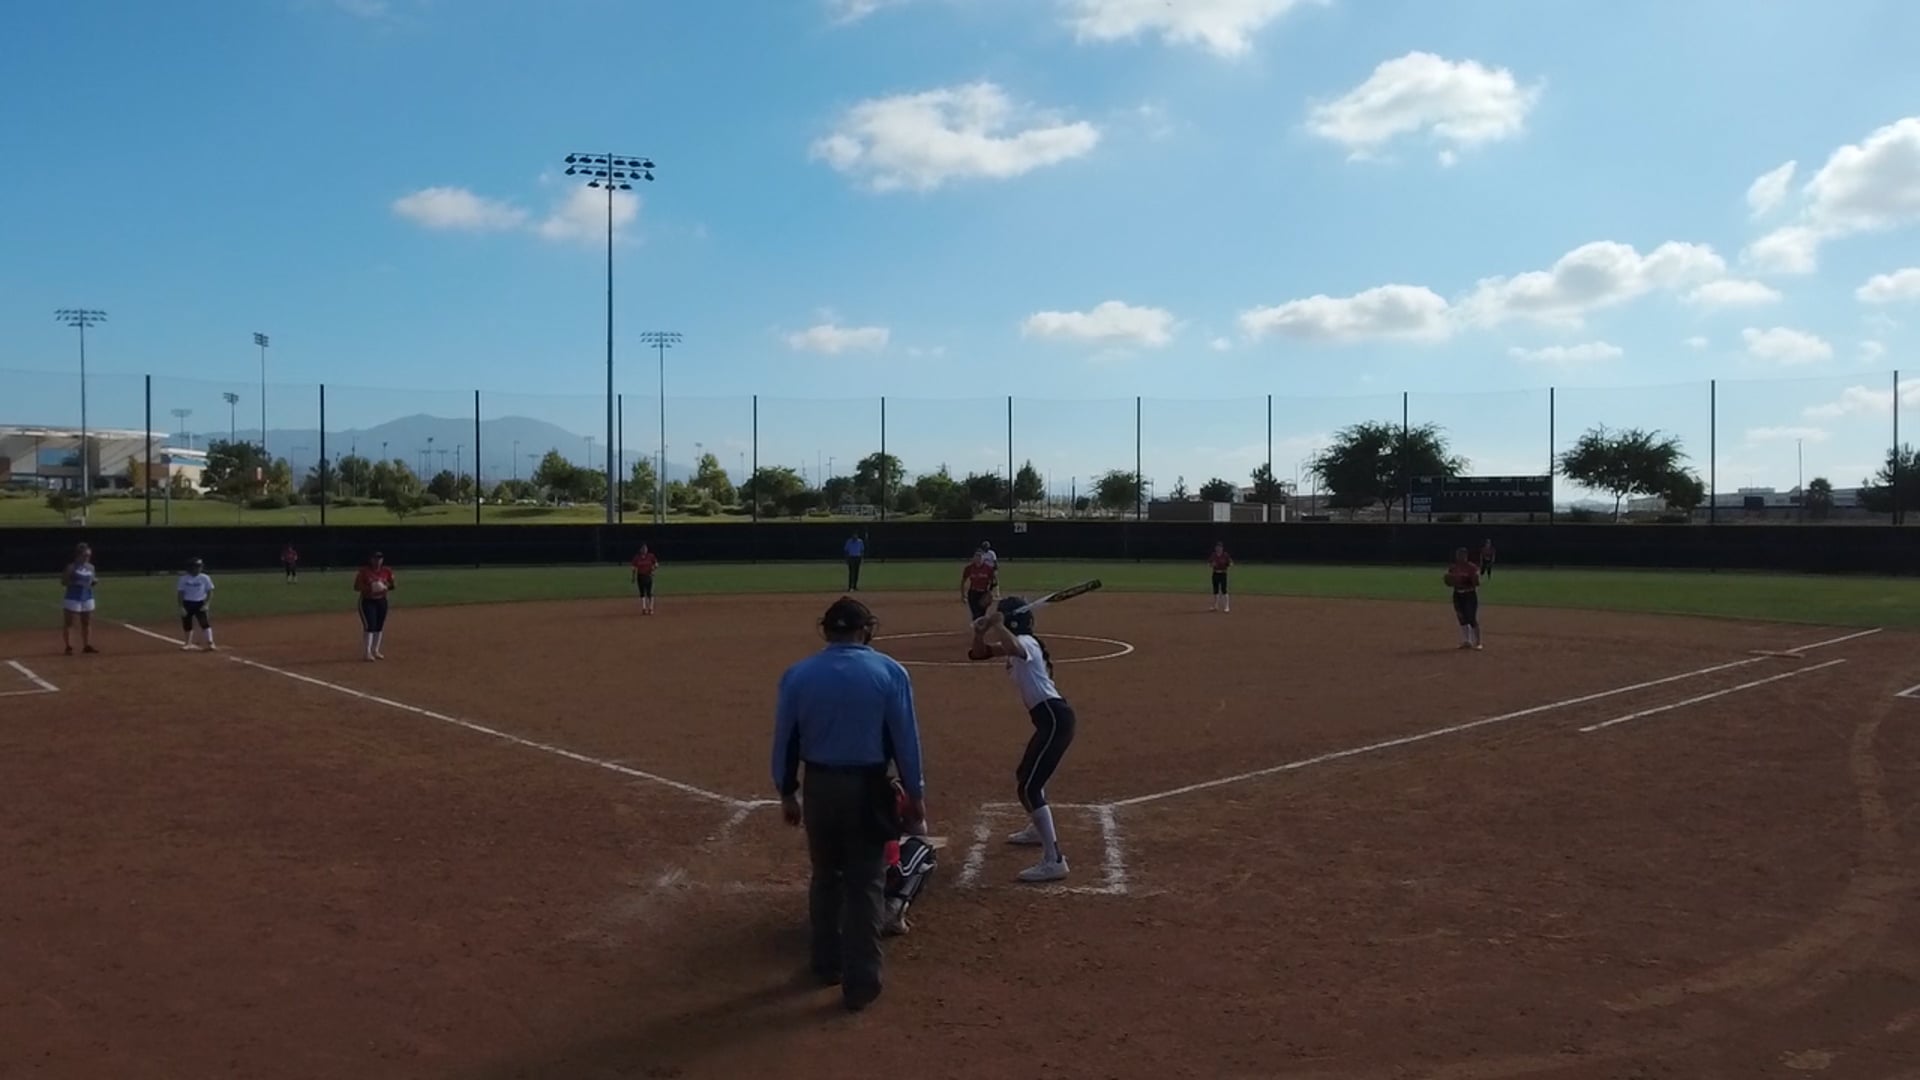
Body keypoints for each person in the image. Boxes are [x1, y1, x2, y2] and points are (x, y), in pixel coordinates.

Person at [771, 596, 926, 1013]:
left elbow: (786, 739)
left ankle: (826, 964)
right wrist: (915, 795)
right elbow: (905, 740)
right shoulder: (890, 671)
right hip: (867, 788)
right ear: (866, 629)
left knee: (825, 876)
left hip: (819, 787)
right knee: (865, 883)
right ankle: (861, 983)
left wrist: (787, 792)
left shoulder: (797, 674)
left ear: (826, 630)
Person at [971, 596, 1076, 884]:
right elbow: (979, 654)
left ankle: (1054, 860)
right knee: (1026, 778)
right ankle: (1036, 829)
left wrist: (997, 624)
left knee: (1029, 787)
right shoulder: (1017, 643)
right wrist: (981, 632)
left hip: (1055, 720)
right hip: (1049, 721)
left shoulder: (1026, 643)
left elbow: (1014, 646)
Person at [881, 778, 937, 937]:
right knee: (925, 851)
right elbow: (918, 822)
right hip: (876, 877)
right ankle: (892, 909)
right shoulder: (892, 795)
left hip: (844, 876)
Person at [353, 551, 396, 661]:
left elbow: (392, 585)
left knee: (379, 625)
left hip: (381, 601)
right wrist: (371, 588)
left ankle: (376, 650)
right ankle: (367, 652)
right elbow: (356, 587)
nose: (378, 561)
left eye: (380, 558)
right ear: (371, 560)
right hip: (367, 601)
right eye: (375, 558)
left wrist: (385, 587)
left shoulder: (387, 571)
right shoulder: (364, 572)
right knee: (370, 625)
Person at [60, 542, 99, 656]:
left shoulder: (91, 567)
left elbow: (91, 580)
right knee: (69, 623)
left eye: (89, 555)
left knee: (86, 622)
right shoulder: (71, 567)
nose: (87, 557)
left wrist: (94, 582)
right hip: (73, 597)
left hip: (87, 597)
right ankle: (68, 646)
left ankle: (86, 645)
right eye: (85, 555)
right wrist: (76, 582)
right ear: (79, 555)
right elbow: (64, 582)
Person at [1445, 547, 1484, 651]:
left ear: (1466, 556)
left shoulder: (1471, 567)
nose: (1459, 557)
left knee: (1471, 618)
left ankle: (1478, 642)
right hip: (1457, 594)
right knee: (1461, 618)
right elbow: (1449, 582)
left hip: (1469, 594)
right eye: (1458, 555)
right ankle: (1467, 641)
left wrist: (1469, 580)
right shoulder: (1453, 567)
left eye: (1461, 555)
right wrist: (1450, 581)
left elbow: (1476, 582)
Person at [177, 558, 217, 651]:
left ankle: (210, 642)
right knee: (187, 623)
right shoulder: (183, 579)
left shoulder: (205, 578)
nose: (198, 569)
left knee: (204, 623)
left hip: (200, 603)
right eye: (196, 567)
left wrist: (207, 604)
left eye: (199, 567)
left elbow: (210, 592)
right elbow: (180, 593)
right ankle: (188, 643)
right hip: (187, 603)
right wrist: (181, 606)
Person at [960, 551, 997, 625]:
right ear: (973, 559)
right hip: (973, 593)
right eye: (976, 558)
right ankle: (977, 625)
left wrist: (990, 592)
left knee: (982, 613)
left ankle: (980, 624)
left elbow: (994, 582)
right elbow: (963, 581)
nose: (978, 559)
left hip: (984, 593)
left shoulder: (988, 569)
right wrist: (963, 595)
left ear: (983, 559)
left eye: (980, 558)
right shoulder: (969, 568)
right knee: (975, 612)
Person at [631, 544, 659, 615]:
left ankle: (651, 608)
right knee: (642, 593)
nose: (644, 550)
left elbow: (656, 564)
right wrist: (633, 577)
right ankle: (644, 608)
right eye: (643, 549)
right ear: (641, 550)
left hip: (648, 576)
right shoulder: (637, 557)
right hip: (640, 576)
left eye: (645, 549)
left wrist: (653, 570)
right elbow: (633, 568)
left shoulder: (651, 556)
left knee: (649, 593)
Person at [1208, 541, 1233, 613]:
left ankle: (1227, 606)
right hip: (1215, 573)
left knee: (1224, 590)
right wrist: (1212, 565)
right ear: (1215, 548)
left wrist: (1229, 564)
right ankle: (1215, 606)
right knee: (1215, 590)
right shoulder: (1213, 555)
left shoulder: (1225, 555)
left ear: (1222, 548)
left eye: (1220, 547)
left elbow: (1231, 563)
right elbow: (1209, 563)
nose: (1218, 548)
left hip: (1223, 574)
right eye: (1217, 547)